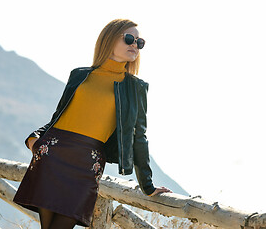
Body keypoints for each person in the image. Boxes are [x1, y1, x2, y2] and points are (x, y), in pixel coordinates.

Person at [13, 18, 172, 229]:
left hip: (87, 164)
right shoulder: (79, 75)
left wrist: (148, 185)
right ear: (108, 40)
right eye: (129, 39)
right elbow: (58, 117)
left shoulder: (135, 88)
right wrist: (33, 138)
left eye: (139, 42)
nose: (135, 45)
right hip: (52, 156)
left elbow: (139, 136)